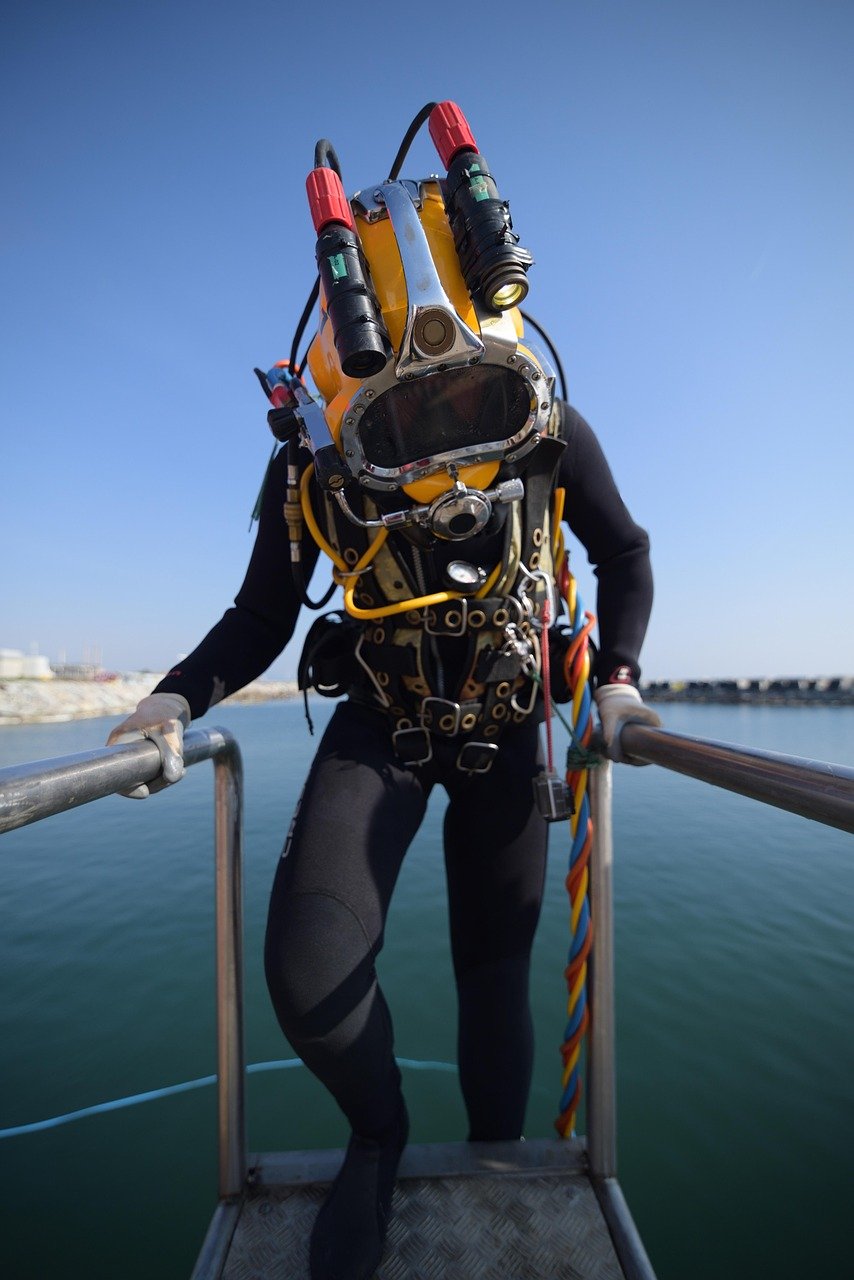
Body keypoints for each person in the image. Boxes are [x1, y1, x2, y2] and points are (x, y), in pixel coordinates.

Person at [107, 102, 660, 1280]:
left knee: (493, 981)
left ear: (501, 363)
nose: (448, 450)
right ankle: (378, 1132)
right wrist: (170, 701)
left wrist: (613, 680)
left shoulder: (547, 422)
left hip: (512, 718)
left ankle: (496, 1164)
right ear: (348, 405)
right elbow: (260, 615)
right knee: (305, 973)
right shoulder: (310, 453)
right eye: (410, 419)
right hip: (385, 716)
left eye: (471, 404)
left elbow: (624, 551)